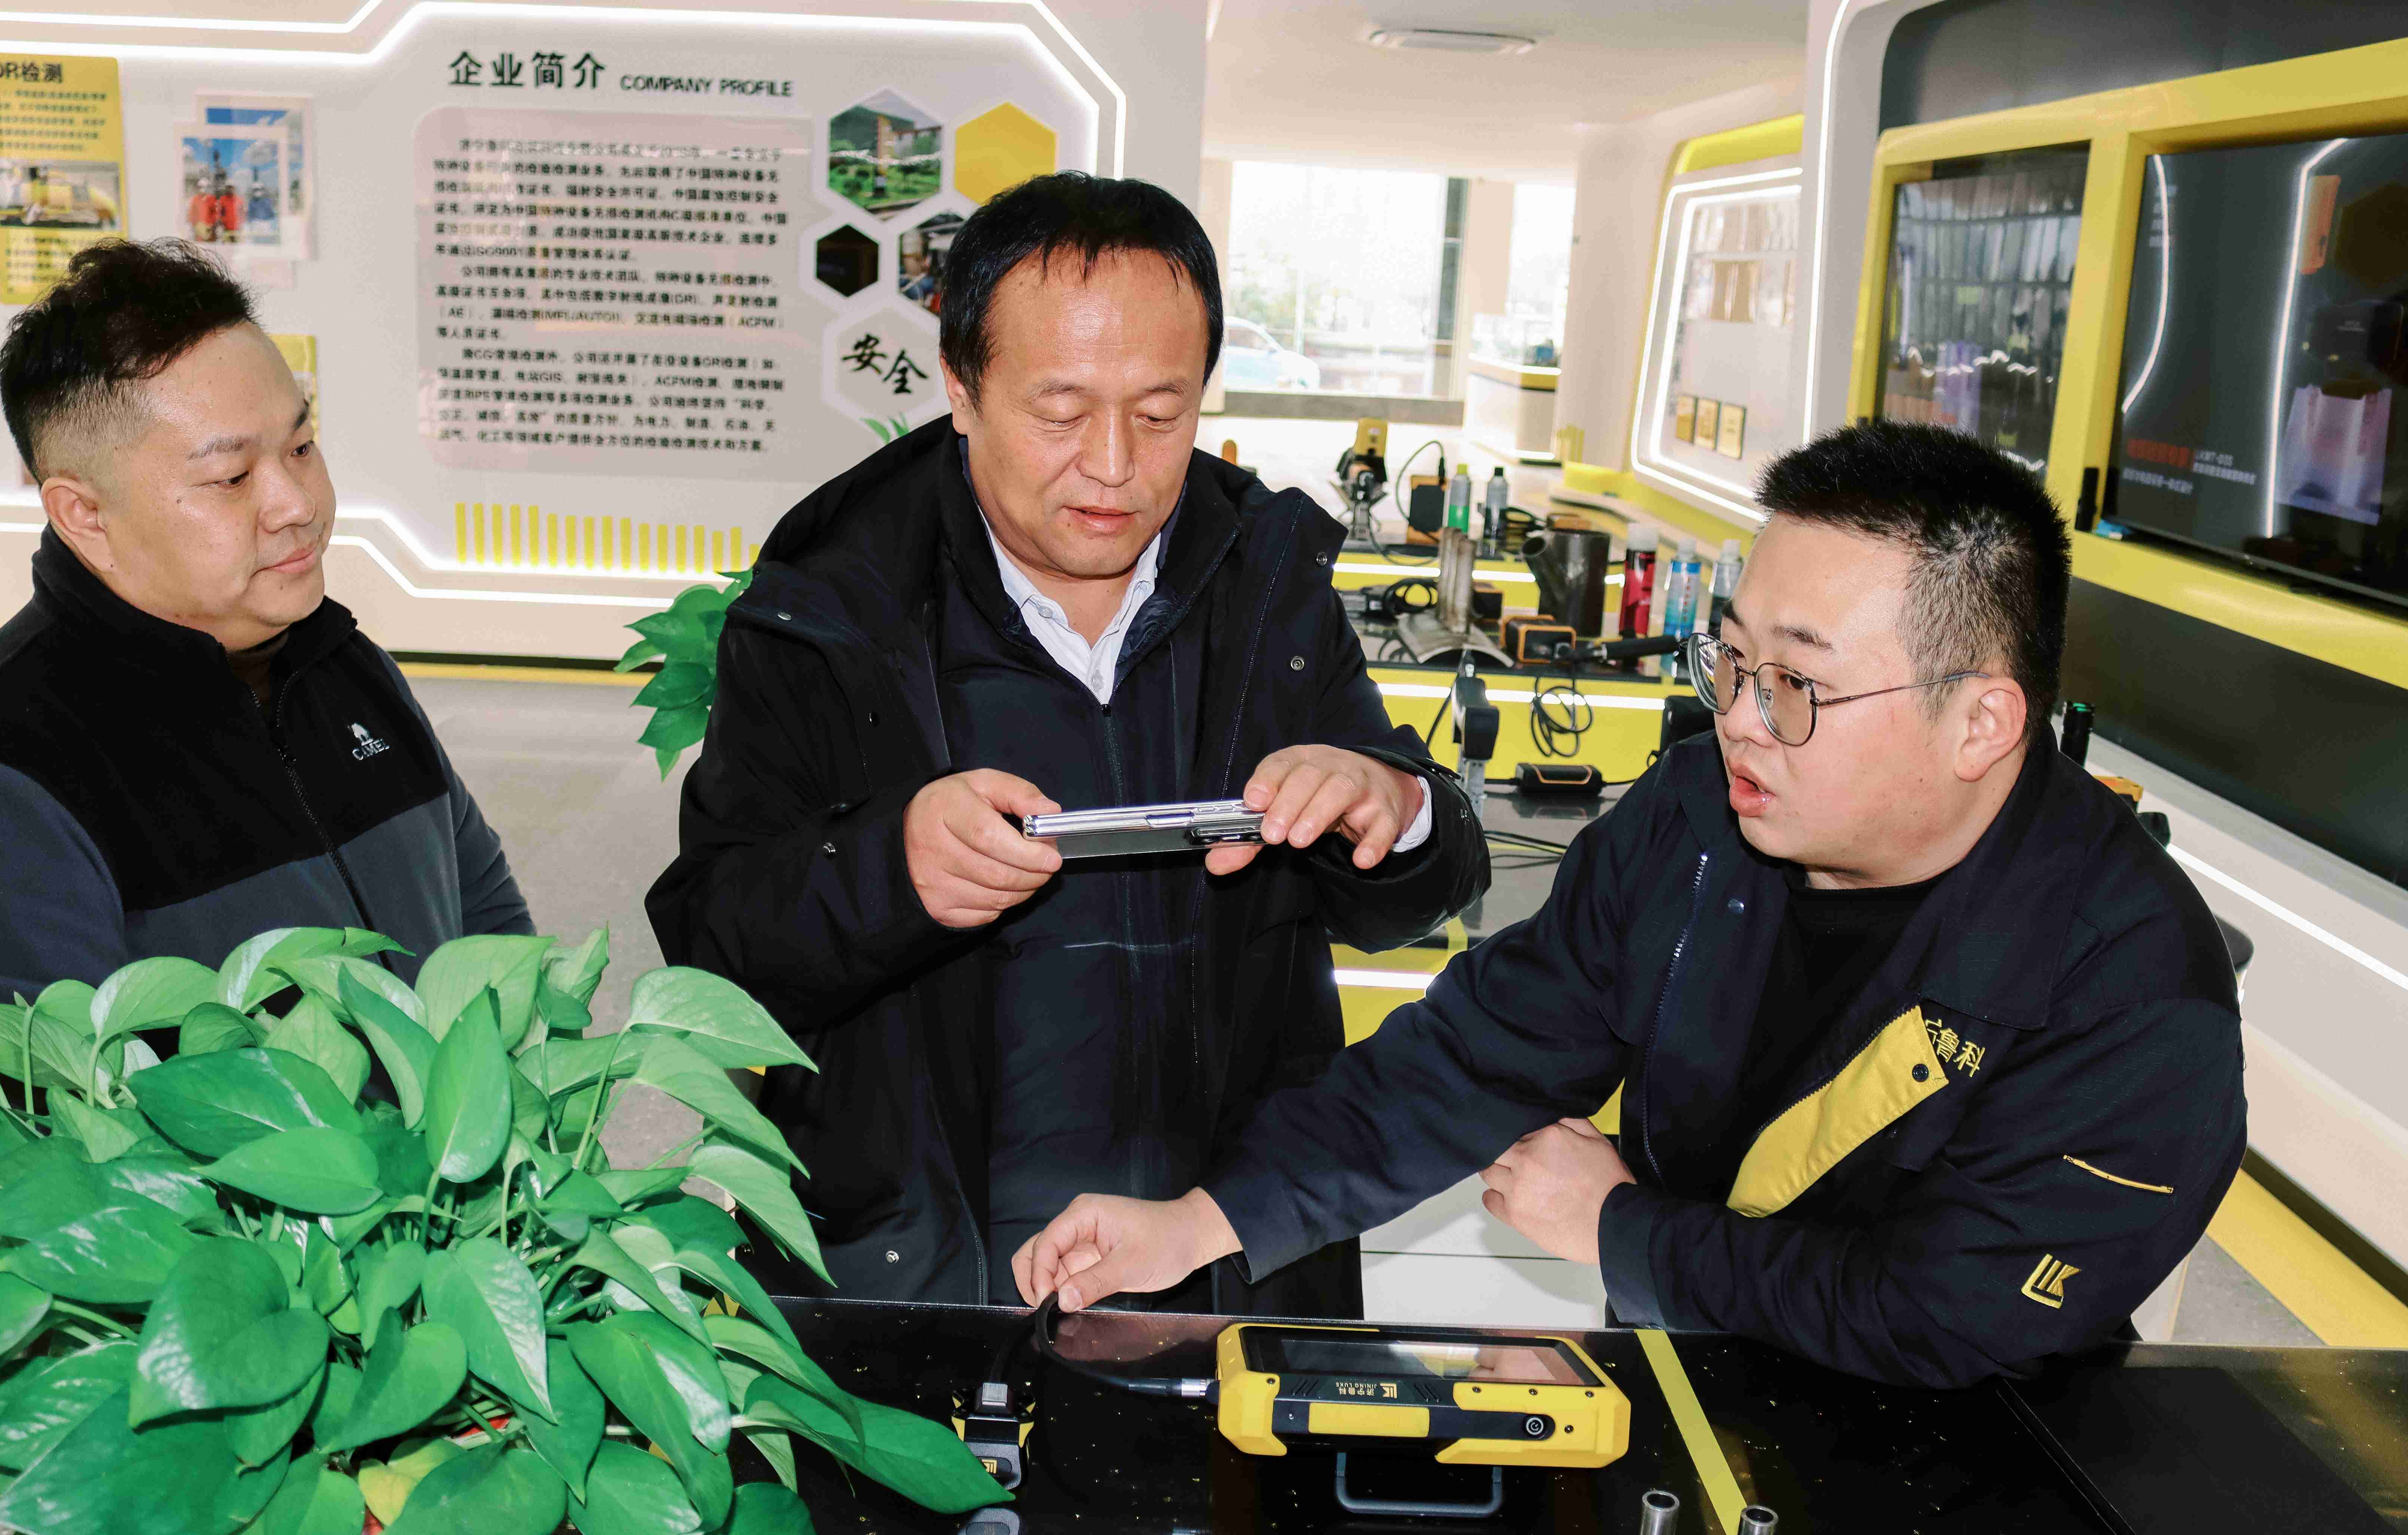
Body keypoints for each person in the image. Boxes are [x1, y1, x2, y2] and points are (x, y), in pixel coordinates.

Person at [1014, 421, 2248, 1389]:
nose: (1741, 721)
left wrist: (1623, 1234)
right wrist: (1204, 1222)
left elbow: (1943, 1312)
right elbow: (1475, 1057)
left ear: (1981, 721)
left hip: (1972, 1472)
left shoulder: (2134, 991)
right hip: (1683, 1376)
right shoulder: (1700, 818)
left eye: (1798, 685)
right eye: (1733, 661)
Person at [648, 173, 1488, 1316]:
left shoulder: (1267, 584)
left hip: (1221, 1258)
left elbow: (1413, 896)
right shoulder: (830, 612)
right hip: (922, 1275)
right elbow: (714, 951)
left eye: (1162, 414)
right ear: (961, 387)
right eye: (1060, 411)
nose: (1113, 465)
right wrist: (888, 870)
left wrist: (1394, 807)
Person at [0, 237, 531, 1141]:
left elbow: (491, 931)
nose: (297, 503)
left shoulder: (341, 664)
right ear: (85, 514)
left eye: (302, 445)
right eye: (230, 477)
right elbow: (60, 1150)